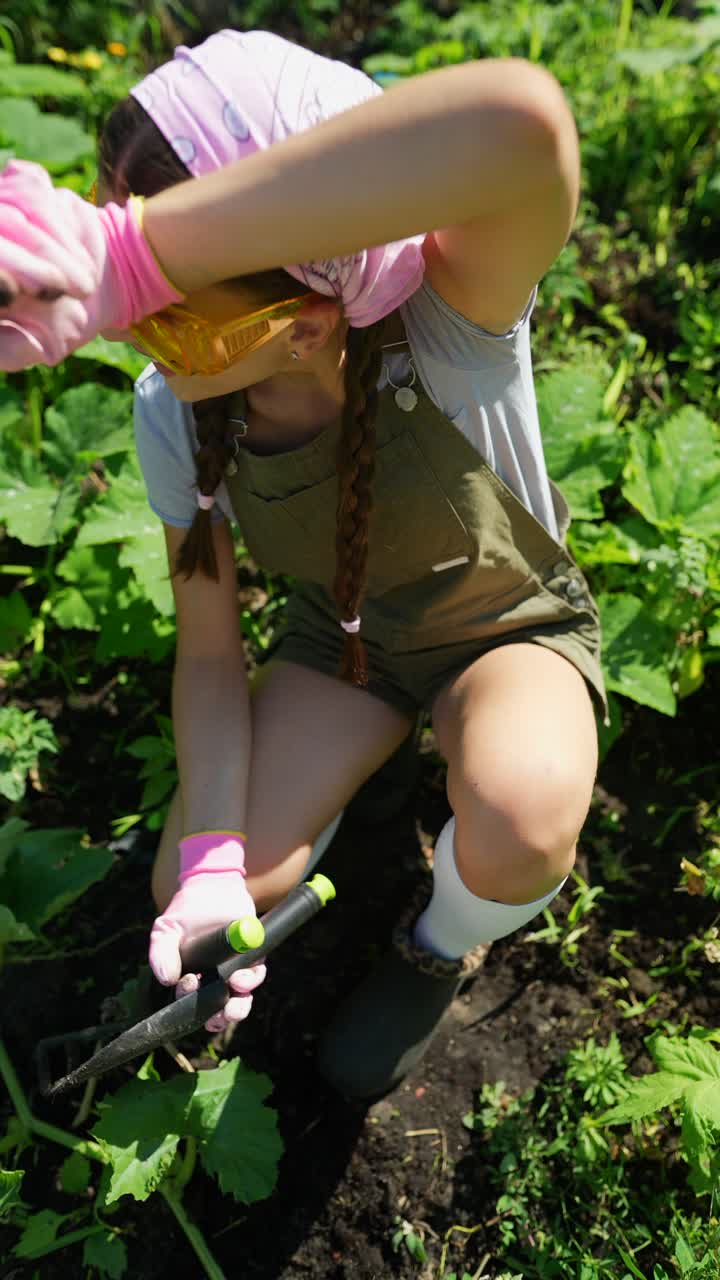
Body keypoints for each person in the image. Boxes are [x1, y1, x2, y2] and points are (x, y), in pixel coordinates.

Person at [0, 30, 606, 1100]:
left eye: (163, 307)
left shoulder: (451, 324)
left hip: (506, 625)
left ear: (305, 324)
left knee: (522, 809)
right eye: (119, 281)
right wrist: (212, 862)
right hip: (345, 639)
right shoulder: (178, 416)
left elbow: (520, 127)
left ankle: (437, 942)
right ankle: (378, 771)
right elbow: (208, 653)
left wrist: (145, 248)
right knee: (193, 890)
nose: (130, 329)